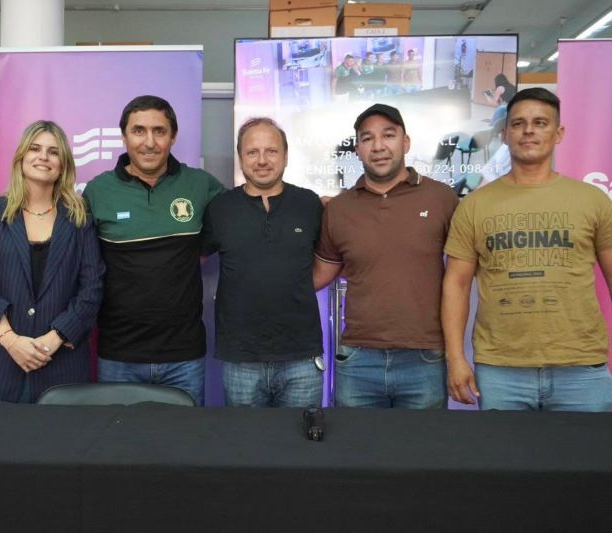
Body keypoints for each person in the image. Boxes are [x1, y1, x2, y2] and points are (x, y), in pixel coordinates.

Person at [442, 87, 612, 411]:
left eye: (540, 123)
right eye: (518, 124)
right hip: (501, 371)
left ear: (558, 134)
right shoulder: (475, 205)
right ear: (505, 135)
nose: (529, 131)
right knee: (502, 447)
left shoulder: (592, 201)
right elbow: (456, 284)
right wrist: (456, 358)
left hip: (581, 370)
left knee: (587, 447)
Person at [313, 103, 459, 408]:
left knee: (426, 442)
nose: (378, 146)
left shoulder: (442, 199)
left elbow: (464, 274)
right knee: (355, 441)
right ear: (357, 150)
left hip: (424, 358)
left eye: (388, 135)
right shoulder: (339, 209)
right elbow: (319, 275)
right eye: (367, 138)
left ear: (406, 142)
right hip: (358, 359)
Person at [82, 95, 223, 406]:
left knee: (184, 436)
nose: (149, 142)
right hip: (118, 355)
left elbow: (240, 220)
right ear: (124, 136)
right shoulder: (98, 191)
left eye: (159, 131)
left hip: (184, 357)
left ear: (173, 136)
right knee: (116, 437)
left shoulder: (201, 186)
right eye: (138, 131)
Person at [0, 121, 104, 403]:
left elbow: (92, 287)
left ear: (63, 164)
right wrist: (10, 339)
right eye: (35, 149)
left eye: (53, 152)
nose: (43, 157)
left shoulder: (79, 217)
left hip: (61, 365)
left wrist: (56, 337)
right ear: (21, 157)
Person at [202, 117, 323, 407]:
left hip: (301, 357)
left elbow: (330, 259)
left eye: (271, 151)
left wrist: (294, 287)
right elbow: (194, 260)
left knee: (302, 436)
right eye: (252, 152)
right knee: (246, 436)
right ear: (240, 158)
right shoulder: (219, 208)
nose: (262, 161)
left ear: (286, 156)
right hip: (240, 359)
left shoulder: (310, 204)